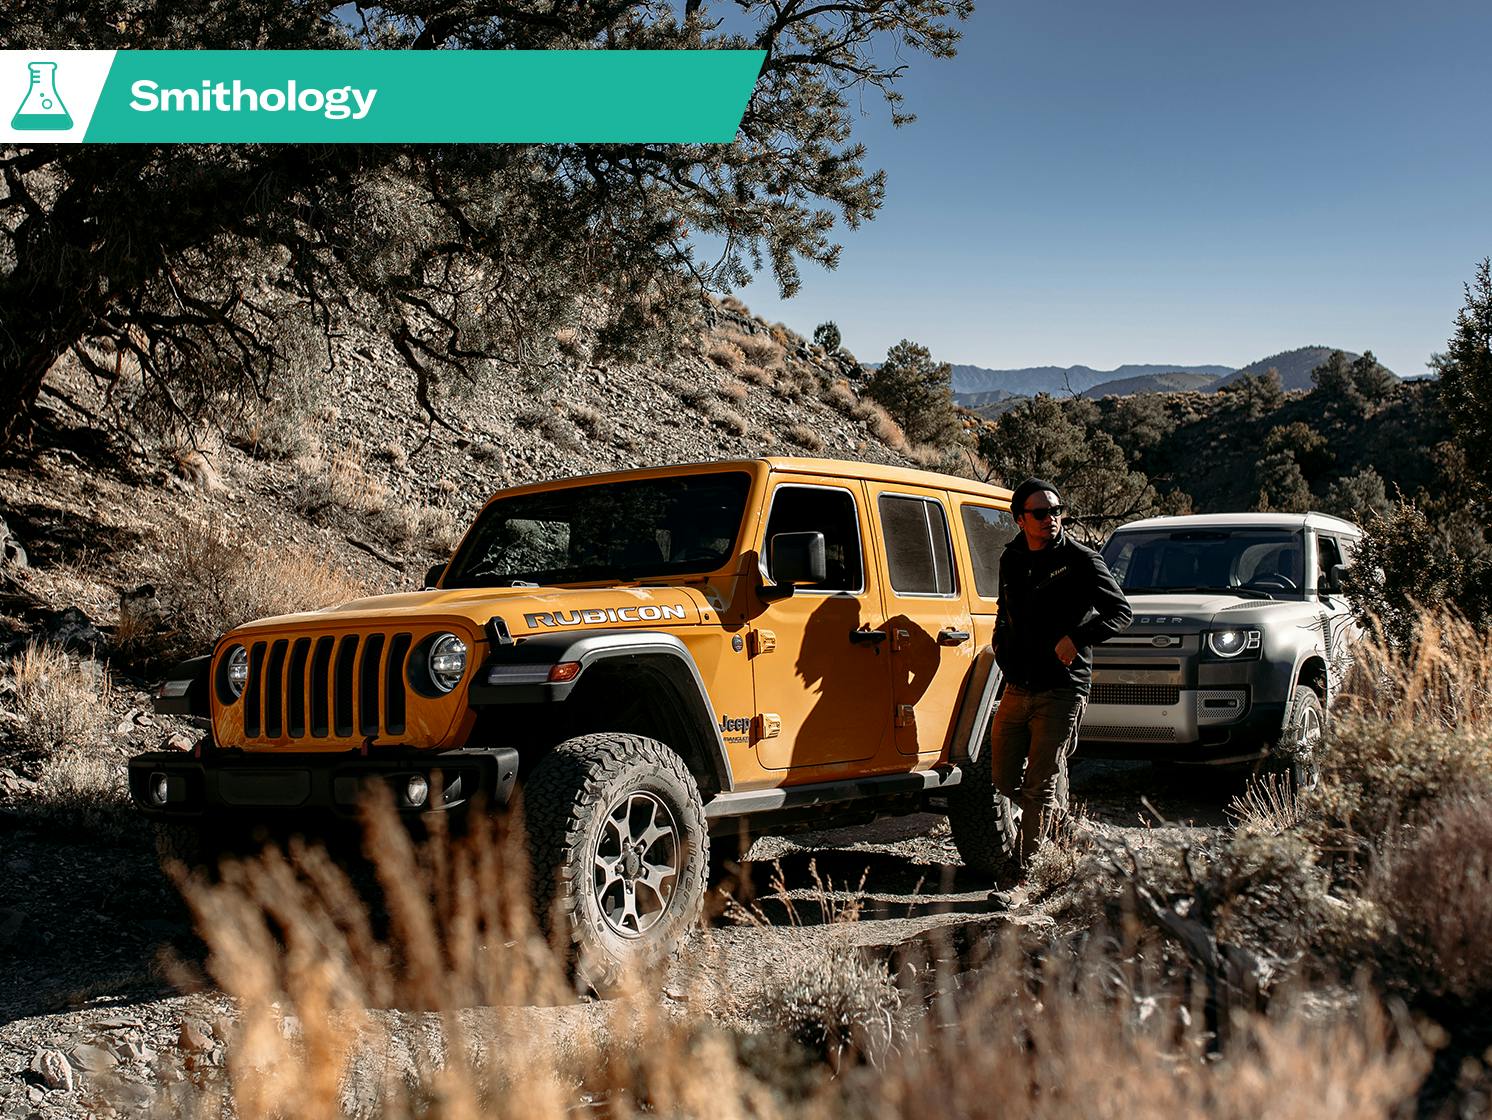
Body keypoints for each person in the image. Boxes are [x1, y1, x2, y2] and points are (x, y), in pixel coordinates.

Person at [987, 478, 1131, 906]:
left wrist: (1077, 638)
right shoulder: (1011, 557)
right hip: (1018, 684)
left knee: (1038, 787)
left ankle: (1027, 881)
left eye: (1056, 510)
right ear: (1020, 519)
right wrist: (1001, 647)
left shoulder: (1081, 559)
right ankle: (1064, 830)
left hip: (1063, 688)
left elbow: (1120, 611)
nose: (1051, 519)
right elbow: (1002, 610)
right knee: (1001, 776)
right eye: (1040, 513)